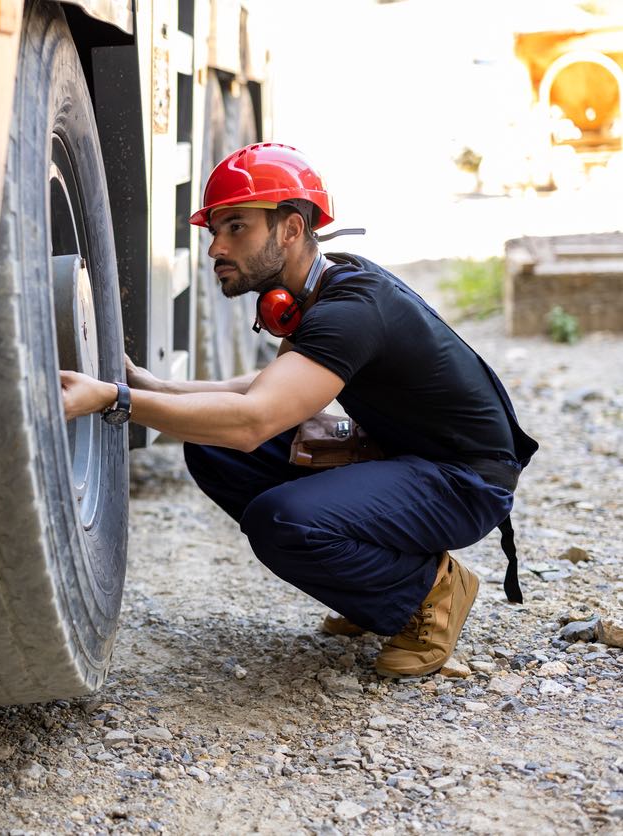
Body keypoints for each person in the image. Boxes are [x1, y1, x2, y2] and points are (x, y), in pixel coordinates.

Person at [61, 142, 537, 677]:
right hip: (406, 458)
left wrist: (115, 401)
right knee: (215, 453)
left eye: (236, 227)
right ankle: (371, 586)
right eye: (214, 230)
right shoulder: (321, 290)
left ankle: (428, 592)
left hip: (463, 481)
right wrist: (156, 387)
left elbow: (252, 421)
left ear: (290, 229)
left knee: (280, 519)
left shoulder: (348, 310)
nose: (216, 246)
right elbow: (267, 387)